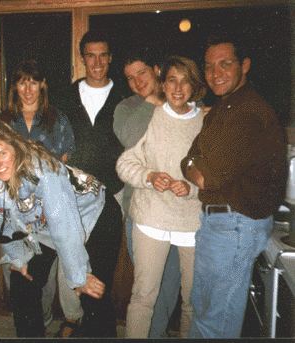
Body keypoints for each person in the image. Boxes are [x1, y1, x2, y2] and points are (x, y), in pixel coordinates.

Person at [0, 120, 122, 337]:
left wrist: (79, 276)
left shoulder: (44, 172)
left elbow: (64, 225)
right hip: (45, 224)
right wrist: (19, 256)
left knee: (92, 291)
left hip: (96, 214)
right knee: (22, 280)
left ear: (16, 148)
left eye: (2, 153)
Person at [181, 34, 286, 338]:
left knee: (215, 323)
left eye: (225, 64)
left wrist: (192, 165)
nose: (216, 73)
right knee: (204, 312)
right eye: (210, 66)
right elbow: (190, 159)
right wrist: (192, 164)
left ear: (245, 66)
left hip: (234, 226)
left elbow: (206, 175)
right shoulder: (223, 109)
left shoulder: (248, 111)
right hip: (220, 223)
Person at [117, 56, 207, 338]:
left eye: (185, 80)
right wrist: (150, 176)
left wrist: (191, 189)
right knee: (143, 296)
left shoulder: (207, 121)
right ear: (163, 83)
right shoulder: (151, 116)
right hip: (151, 218)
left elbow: (218, 175)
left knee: (193, 300)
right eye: (172, 80)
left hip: (192, 222)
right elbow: (124, 164)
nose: (178, 88)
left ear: (194, 85)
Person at [0, 59, 78, 335]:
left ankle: (40, 324)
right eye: (22, 82)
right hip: (13, 210)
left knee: (42, 277)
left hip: (48, 211)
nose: (28, 88)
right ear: (15, 86)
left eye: (33, 81)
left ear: (42, 84)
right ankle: (26, 328)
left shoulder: (58, 118)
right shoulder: (3, 121)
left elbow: (64, 165)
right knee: (16, 271)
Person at [54, 29, 125, 336]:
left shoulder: (126, 96)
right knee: (73, 259)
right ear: (82, 57)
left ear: (110, 58)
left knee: (102, 267)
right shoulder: (65, 96)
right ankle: (75, 319)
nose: (97, 62)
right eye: (90, 55)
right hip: (75, 194)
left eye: (103, 55)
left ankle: (97, 324)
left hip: (114, 193)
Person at [113, 48, 181, 338]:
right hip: (140, 209)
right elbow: (132, 138)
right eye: (130, 78)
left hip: (182, 210)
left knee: (170, 288)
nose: (137, 82)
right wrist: (155, 101)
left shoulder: (185, 100)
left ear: (156, 69)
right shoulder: (127, 107)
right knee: (145, 290)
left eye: (142, 73)